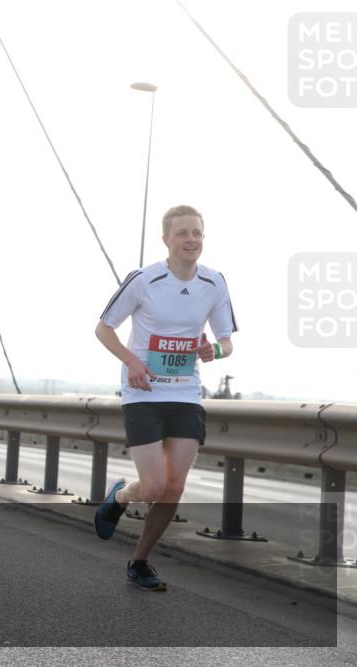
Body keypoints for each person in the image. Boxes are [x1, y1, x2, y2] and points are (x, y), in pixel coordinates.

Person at [93, 205, 237, 591]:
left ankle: (139, 562)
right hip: (142, 394)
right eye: (183, 233)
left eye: (198, 233)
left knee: (175, 487)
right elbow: (104, 329)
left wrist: (214, 353)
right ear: (166, 240)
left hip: (186, 394)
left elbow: (226, 342)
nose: (192, 240)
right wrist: (132, 362)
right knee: (154, 486)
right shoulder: (143, 280)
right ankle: (122, 497)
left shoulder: (215, 282)